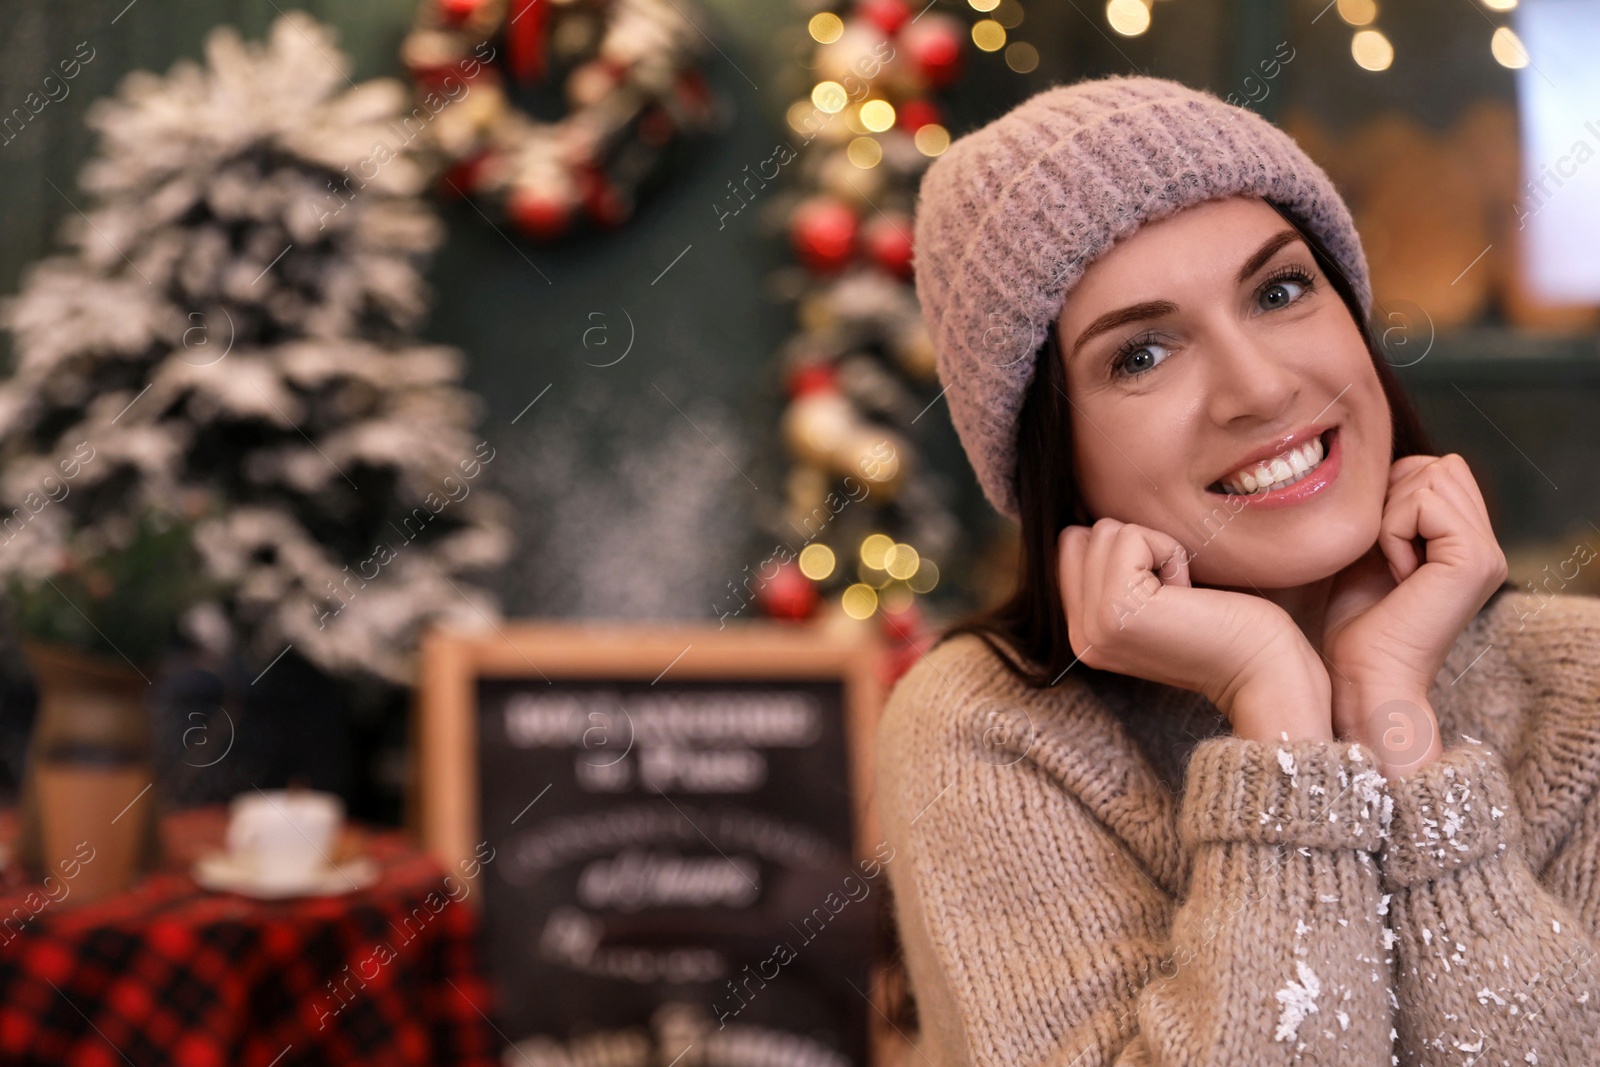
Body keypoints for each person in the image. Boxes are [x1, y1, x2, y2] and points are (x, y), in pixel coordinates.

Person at [874, 73, 1600, 1066]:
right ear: (1055, 452)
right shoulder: (990, 727)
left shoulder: (1580, 687)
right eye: (1141, 354)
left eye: (1280, 289)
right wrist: (1277, 719)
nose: (1259, 387)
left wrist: (1393, 717)